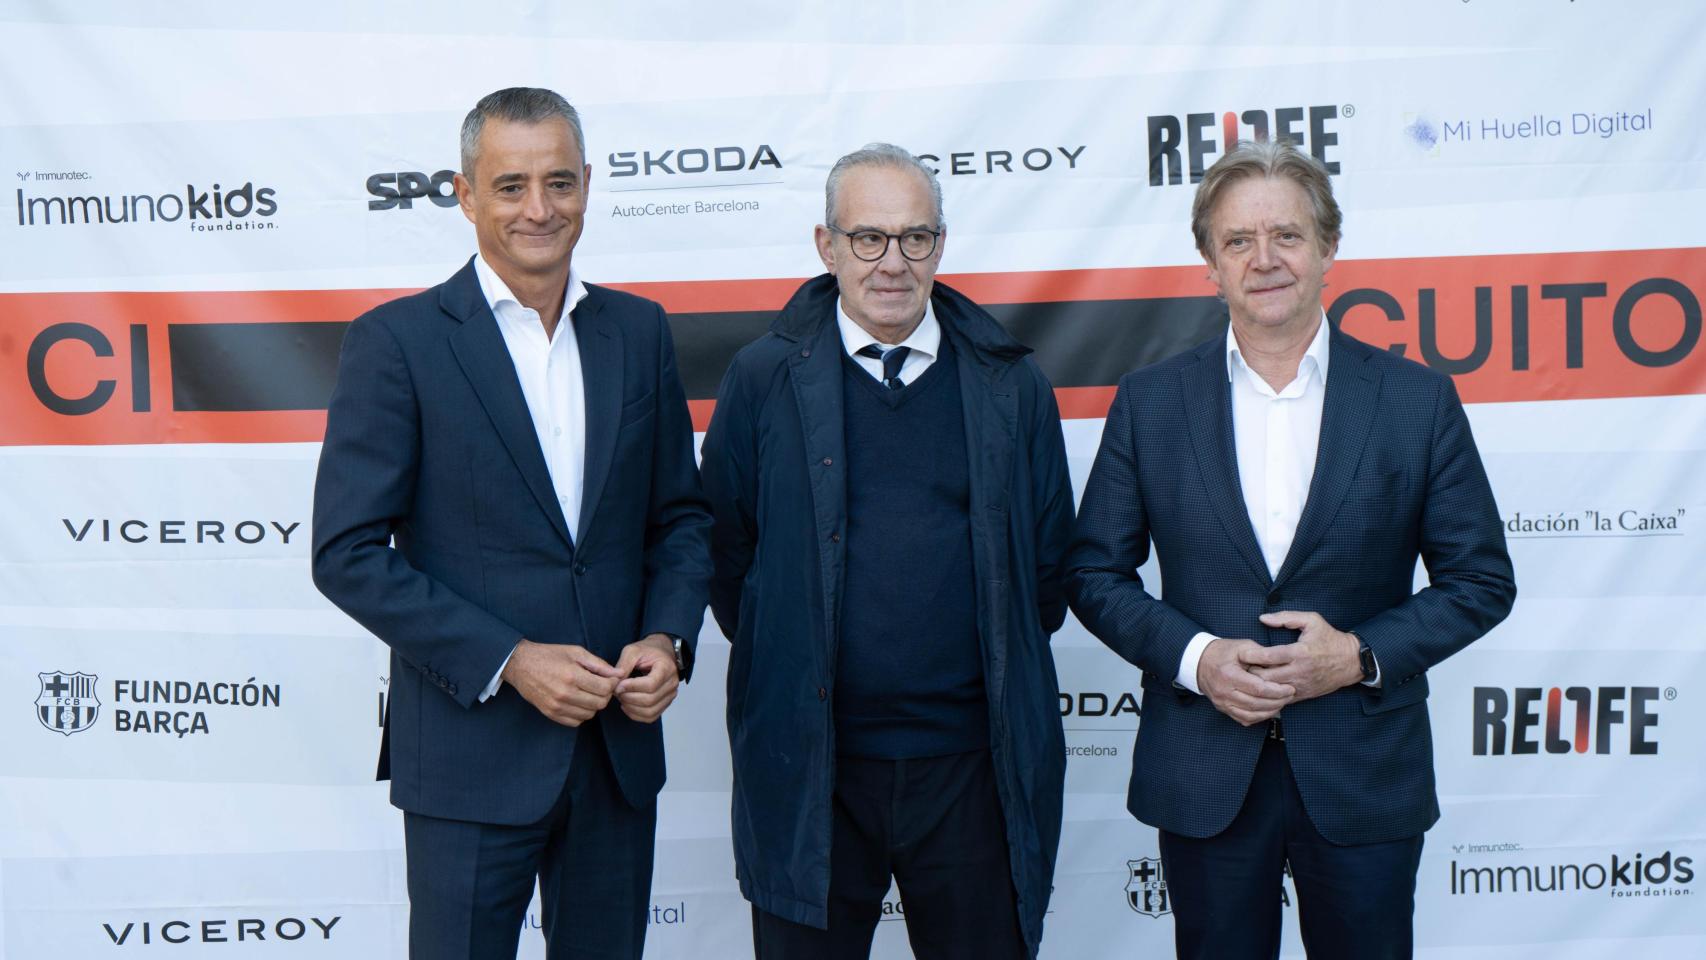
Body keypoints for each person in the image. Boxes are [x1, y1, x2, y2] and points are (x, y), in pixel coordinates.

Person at [1066, 139, 1516, 959]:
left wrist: (1359, 655)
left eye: (1288, 235)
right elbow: (1093, 571)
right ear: (1209, 262)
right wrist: (1197, 658)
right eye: (1238, 241)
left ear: (1329, 248)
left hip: (1363, 771)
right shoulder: (1151, 403)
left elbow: (1481, 579)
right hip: (1205, 770)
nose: (1264, 259)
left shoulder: (1416, 402)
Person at [310, 87, 711, 960]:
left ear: (589, 185)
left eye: (560, 182)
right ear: (463, 194)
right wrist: (510, 660)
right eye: (511, 185)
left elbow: (680, 515)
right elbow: (346, 555)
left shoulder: (638, 332)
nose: (540, 208)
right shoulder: (397, 342)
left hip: (615, 753)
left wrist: (668, 636)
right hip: (468, 757)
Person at [699, 143, 1074, 959]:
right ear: (826, 246)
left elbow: (1046, 575)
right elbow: (730, 559)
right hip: (813, 769)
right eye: (867, 238)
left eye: (915, 238)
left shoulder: (1012, 386)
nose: (892, 263)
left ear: (941, 244)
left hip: (973, 769)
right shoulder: (762, 378)